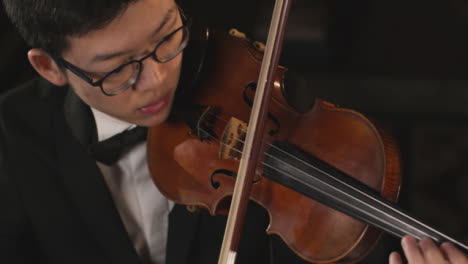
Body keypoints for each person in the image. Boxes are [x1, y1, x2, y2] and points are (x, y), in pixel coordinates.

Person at [0, 0, 466, 263]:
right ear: (49, 67)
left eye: (166, 36)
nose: (160, 77)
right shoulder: (10, 145)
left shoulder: (247, 81)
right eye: (121, 69)